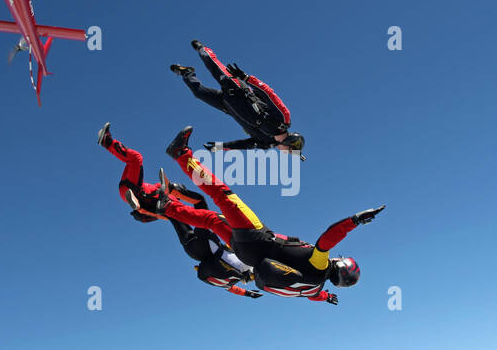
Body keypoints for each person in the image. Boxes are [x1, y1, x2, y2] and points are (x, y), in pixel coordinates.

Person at [156, 125, 384, 303]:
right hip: (247, 255)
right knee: (212, 220)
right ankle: (166, 207)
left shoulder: (321, 265)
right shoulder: (314, 287)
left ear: (340, 265)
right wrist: (327, 298)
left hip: (257, 238)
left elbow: (327, 239)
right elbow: (315, 297)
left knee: (222, 194)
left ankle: (181, 155)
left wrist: (354, 221)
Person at [98, 123, 260, 297]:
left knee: (197, 203)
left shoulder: (248, 258)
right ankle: (153, 206)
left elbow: (239, 270)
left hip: (205, 244)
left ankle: (164, 195)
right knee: (173, 212)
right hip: (194, 250)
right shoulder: (235, 271)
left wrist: (247, 287)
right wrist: (247, 293)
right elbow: (227, 286)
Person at [170, 40, 306, 157]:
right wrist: (246, 78)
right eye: (288, 152)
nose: (284, 154)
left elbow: (244, 145)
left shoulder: (267, 143)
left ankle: (187, 72)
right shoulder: (283, 119)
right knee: (212, 65)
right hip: (237, 90)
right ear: (289, 143)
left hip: (227, 106)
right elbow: (268, 94)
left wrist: (221, 147)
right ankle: (202, 48)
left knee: (198, 93)